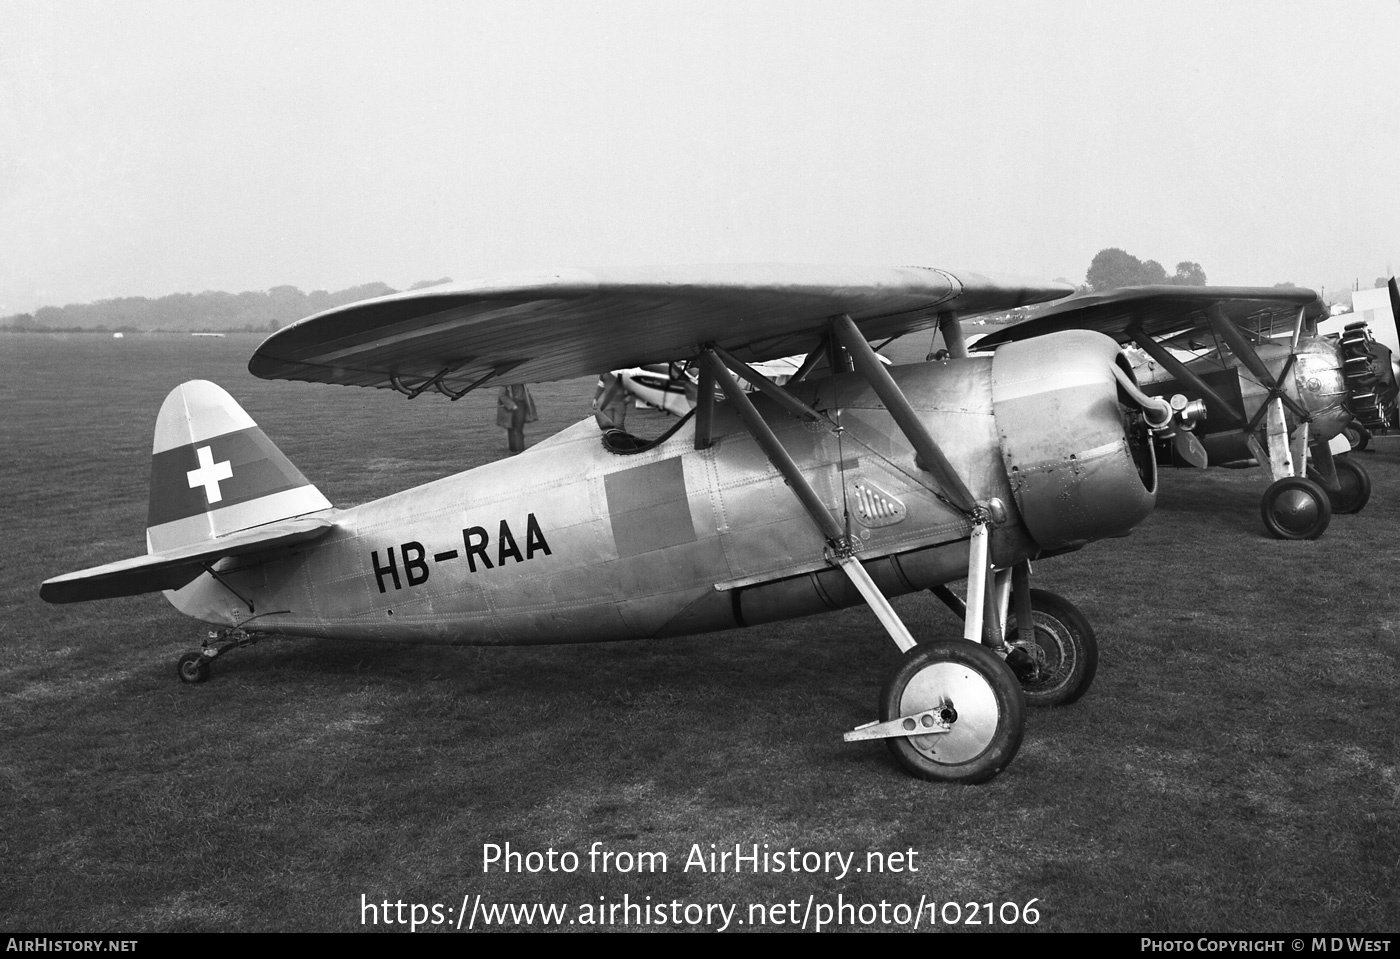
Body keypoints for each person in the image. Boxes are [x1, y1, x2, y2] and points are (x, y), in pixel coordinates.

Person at [496, 383, 537, 453]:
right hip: (510, 406)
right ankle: (514, 449)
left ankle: (519, 449)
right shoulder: (505, 381)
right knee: (511, 428)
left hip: (520, 404)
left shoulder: (521, 381)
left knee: (518, 428)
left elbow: (525, 393)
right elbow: (502, 395)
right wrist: (512, 405)